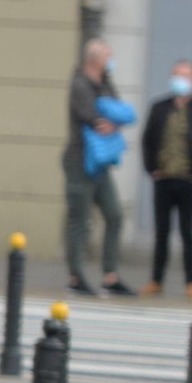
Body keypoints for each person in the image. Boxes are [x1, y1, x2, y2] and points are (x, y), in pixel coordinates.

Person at [62, 38, 137, 297]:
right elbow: (93, 118)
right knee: (80, 220)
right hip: (81, 161)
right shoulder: (80, 84)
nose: (111, 61)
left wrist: (113, 123)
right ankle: (76, 276)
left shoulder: (105, 83)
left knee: (114, 214)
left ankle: (110, 275)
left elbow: (118, 113)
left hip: (101, 163)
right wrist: (107, 121)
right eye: (108, 56)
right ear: (94, 59)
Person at [140, 59, 192, 298]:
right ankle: (156, 280)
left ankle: (191, 282)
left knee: (187, 231)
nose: (180, 80)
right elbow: (147, 141)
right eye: (176, 75)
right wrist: (151, 168)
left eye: (185, 76)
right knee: (161, 231)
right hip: (163, 179)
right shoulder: (159, 107)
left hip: (188, 179)